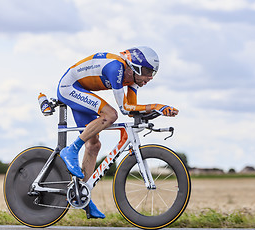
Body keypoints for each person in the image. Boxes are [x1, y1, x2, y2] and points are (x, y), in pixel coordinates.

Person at [57, 46, 178, 219]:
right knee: (110, 114)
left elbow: (132, 111)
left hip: (81, 90)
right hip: (69, 88)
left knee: (94, 145)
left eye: (153, 73)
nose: (149, 78)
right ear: (134, 67)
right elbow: (124, 108)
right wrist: (156, 106)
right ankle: (71, 150)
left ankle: (83, 196)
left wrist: (158, 112)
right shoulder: (116, 68)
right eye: (147, 72)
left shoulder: (133, 80)